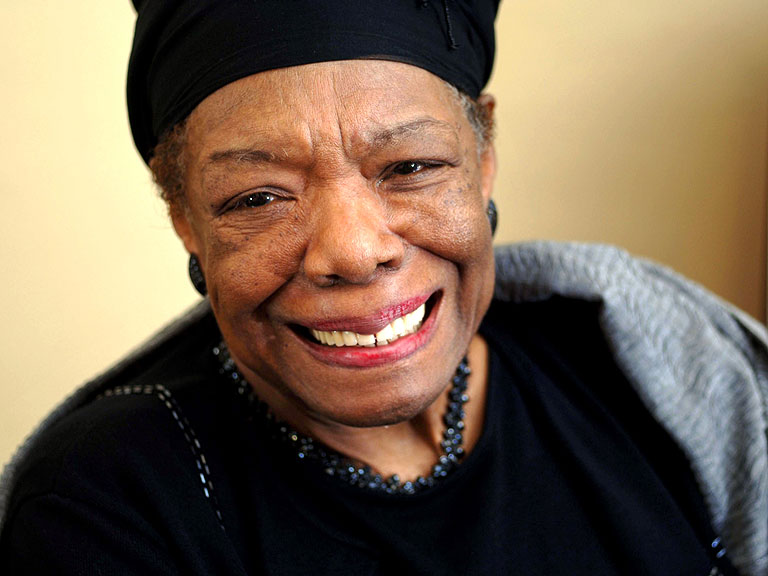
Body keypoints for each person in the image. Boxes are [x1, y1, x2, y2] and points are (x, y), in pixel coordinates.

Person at [0, 1, 766, 574]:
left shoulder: (639, 369)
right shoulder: (102, 507)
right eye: (258, 197)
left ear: (483, 158)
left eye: (411, 167)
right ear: (186, 220)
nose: (354, 251)